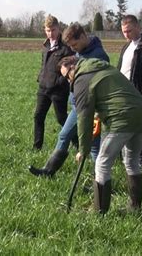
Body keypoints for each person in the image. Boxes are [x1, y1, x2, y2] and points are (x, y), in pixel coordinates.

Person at [59, 56, 142, 214]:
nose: (68, 81)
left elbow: (84, 118)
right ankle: (135, 208)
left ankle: (99, 212)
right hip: (141, 115)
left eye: (67, 76)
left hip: (122, 120)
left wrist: (83, 151)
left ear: (72, 67)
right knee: (131, 161)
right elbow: (111, 95)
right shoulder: (102, 68)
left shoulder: (81, 79)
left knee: (102, 163)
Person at [29, 22, 109, 177]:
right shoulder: (82, 51)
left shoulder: (98, 55)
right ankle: (49, 171)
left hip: (92, 107)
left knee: (93, 145)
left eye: (75, 44)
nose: (73, 49)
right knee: (64, 135)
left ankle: (98, 180)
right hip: (77, 106)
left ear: (84, 37)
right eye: (71, 46)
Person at [117, 15, 142, 170]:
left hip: (137, 96)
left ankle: (141, 164)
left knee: (137, 130)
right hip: (122, 95)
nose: (126, 34)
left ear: (138, 27)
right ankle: (123, 159)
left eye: (129, 31)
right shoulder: (126, 47)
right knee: (122, 128)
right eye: (124, 32)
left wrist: (139, 93)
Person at [32, 15, 74, 150]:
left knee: (62, 119)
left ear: (59, 29)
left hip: (58, 90)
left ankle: (79, 144)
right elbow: (43, 64)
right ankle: (37, 147)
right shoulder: (45, 46)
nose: (51, 33)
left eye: (53, 30)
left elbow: (70, 69)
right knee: (38, 116)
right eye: (48, 30)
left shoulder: (66, 48)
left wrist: (60, 81)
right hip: (43, 88)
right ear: (45, 30)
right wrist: (40, 77)